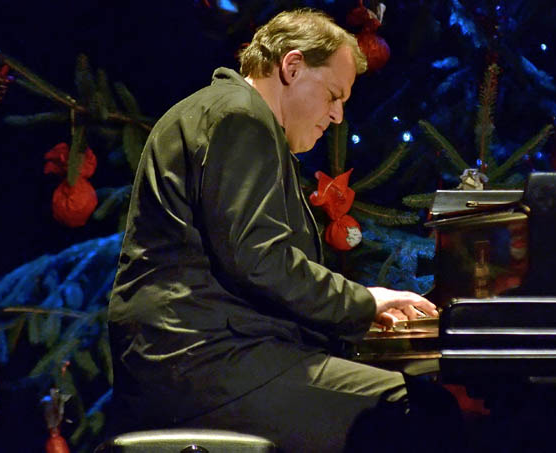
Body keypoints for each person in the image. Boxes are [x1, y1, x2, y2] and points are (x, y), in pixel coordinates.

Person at [107, 8, 459, 453]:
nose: (337, 116)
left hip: (198, 355)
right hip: (202, 364)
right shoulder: (241, 116)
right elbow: (260, 259)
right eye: (333, 95)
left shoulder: (225, 112)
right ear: (292, 67)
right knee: (420, 410)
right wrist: (363, 302)